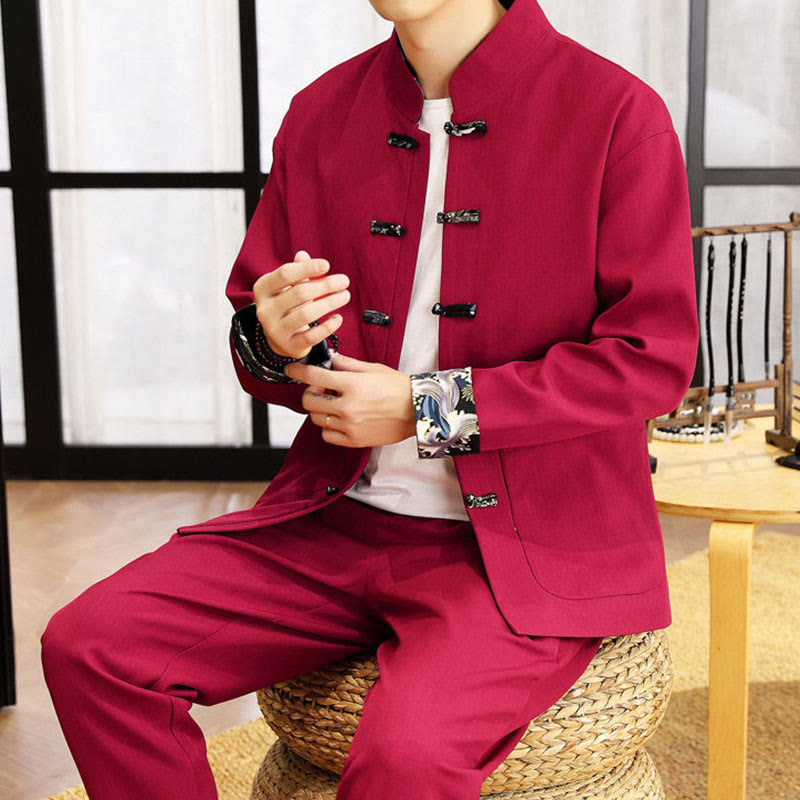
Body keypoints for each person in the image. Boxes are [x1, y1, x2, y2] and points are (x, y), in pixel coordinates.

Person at [40, 0, 699, 798]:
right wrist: (275, 338)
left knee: (405, 758)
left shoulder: (615, 113)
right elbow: (259, 336)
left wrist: (426, 408)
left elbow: (649, 359)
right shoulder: (323, 110)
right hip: (331, 518)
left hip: (523, 546)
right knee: (92, 647)